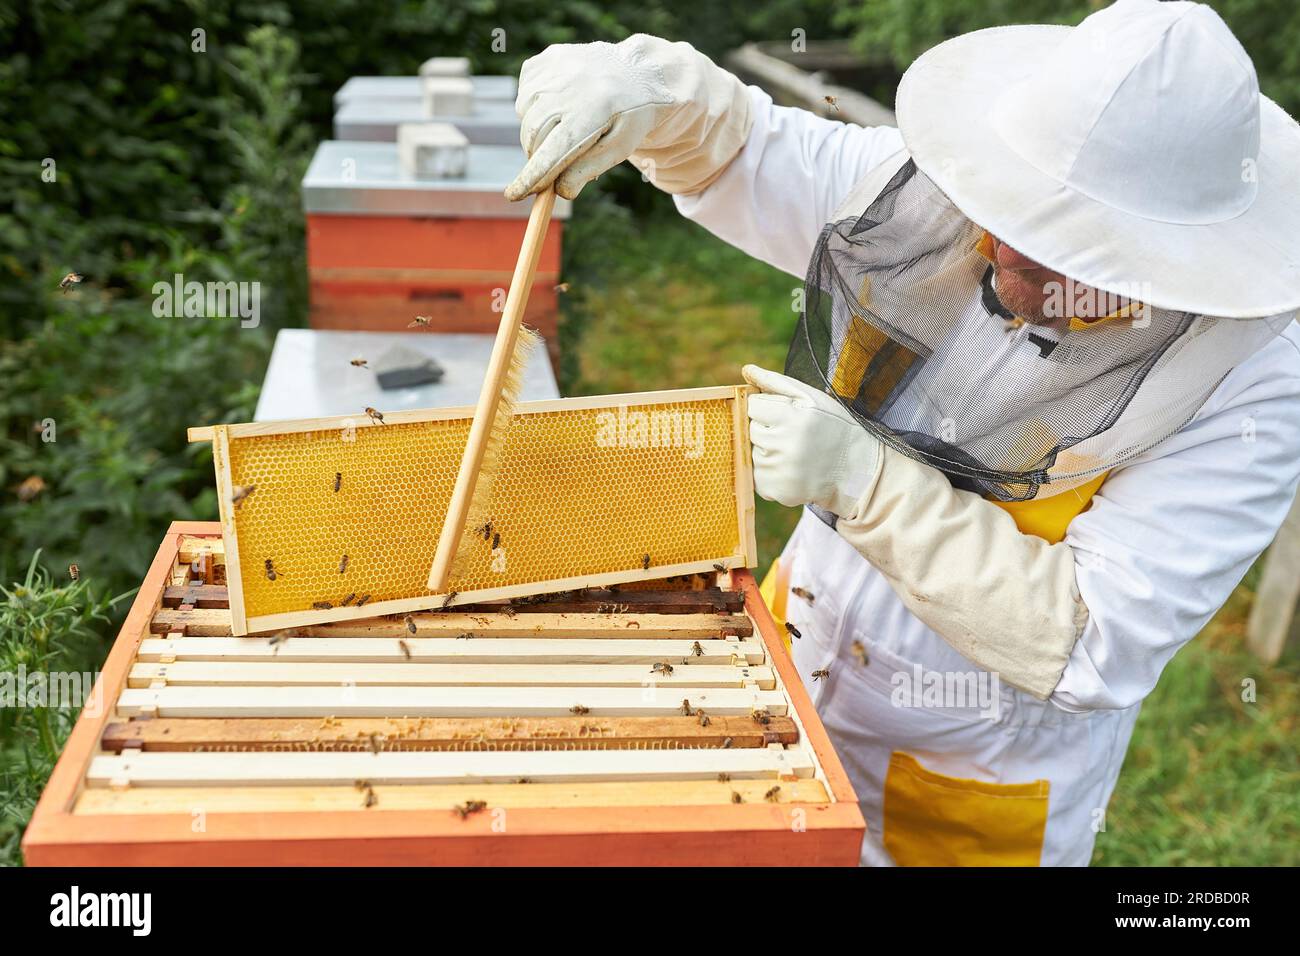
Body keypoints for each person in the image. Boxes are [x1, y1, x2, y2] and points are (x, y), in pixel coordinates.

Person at [504, 0, 1300, 865]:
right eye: (1013, 218)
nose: (1006, 258)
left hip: (969, 769)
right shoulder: (936, 197)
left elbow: (1095, 640)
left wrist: (867, 484)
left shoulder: (1252, 385)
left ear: (1170, 256)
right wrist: (656, 94)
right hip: (792, 664)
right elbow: (749, 152)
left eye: (1066, 253)